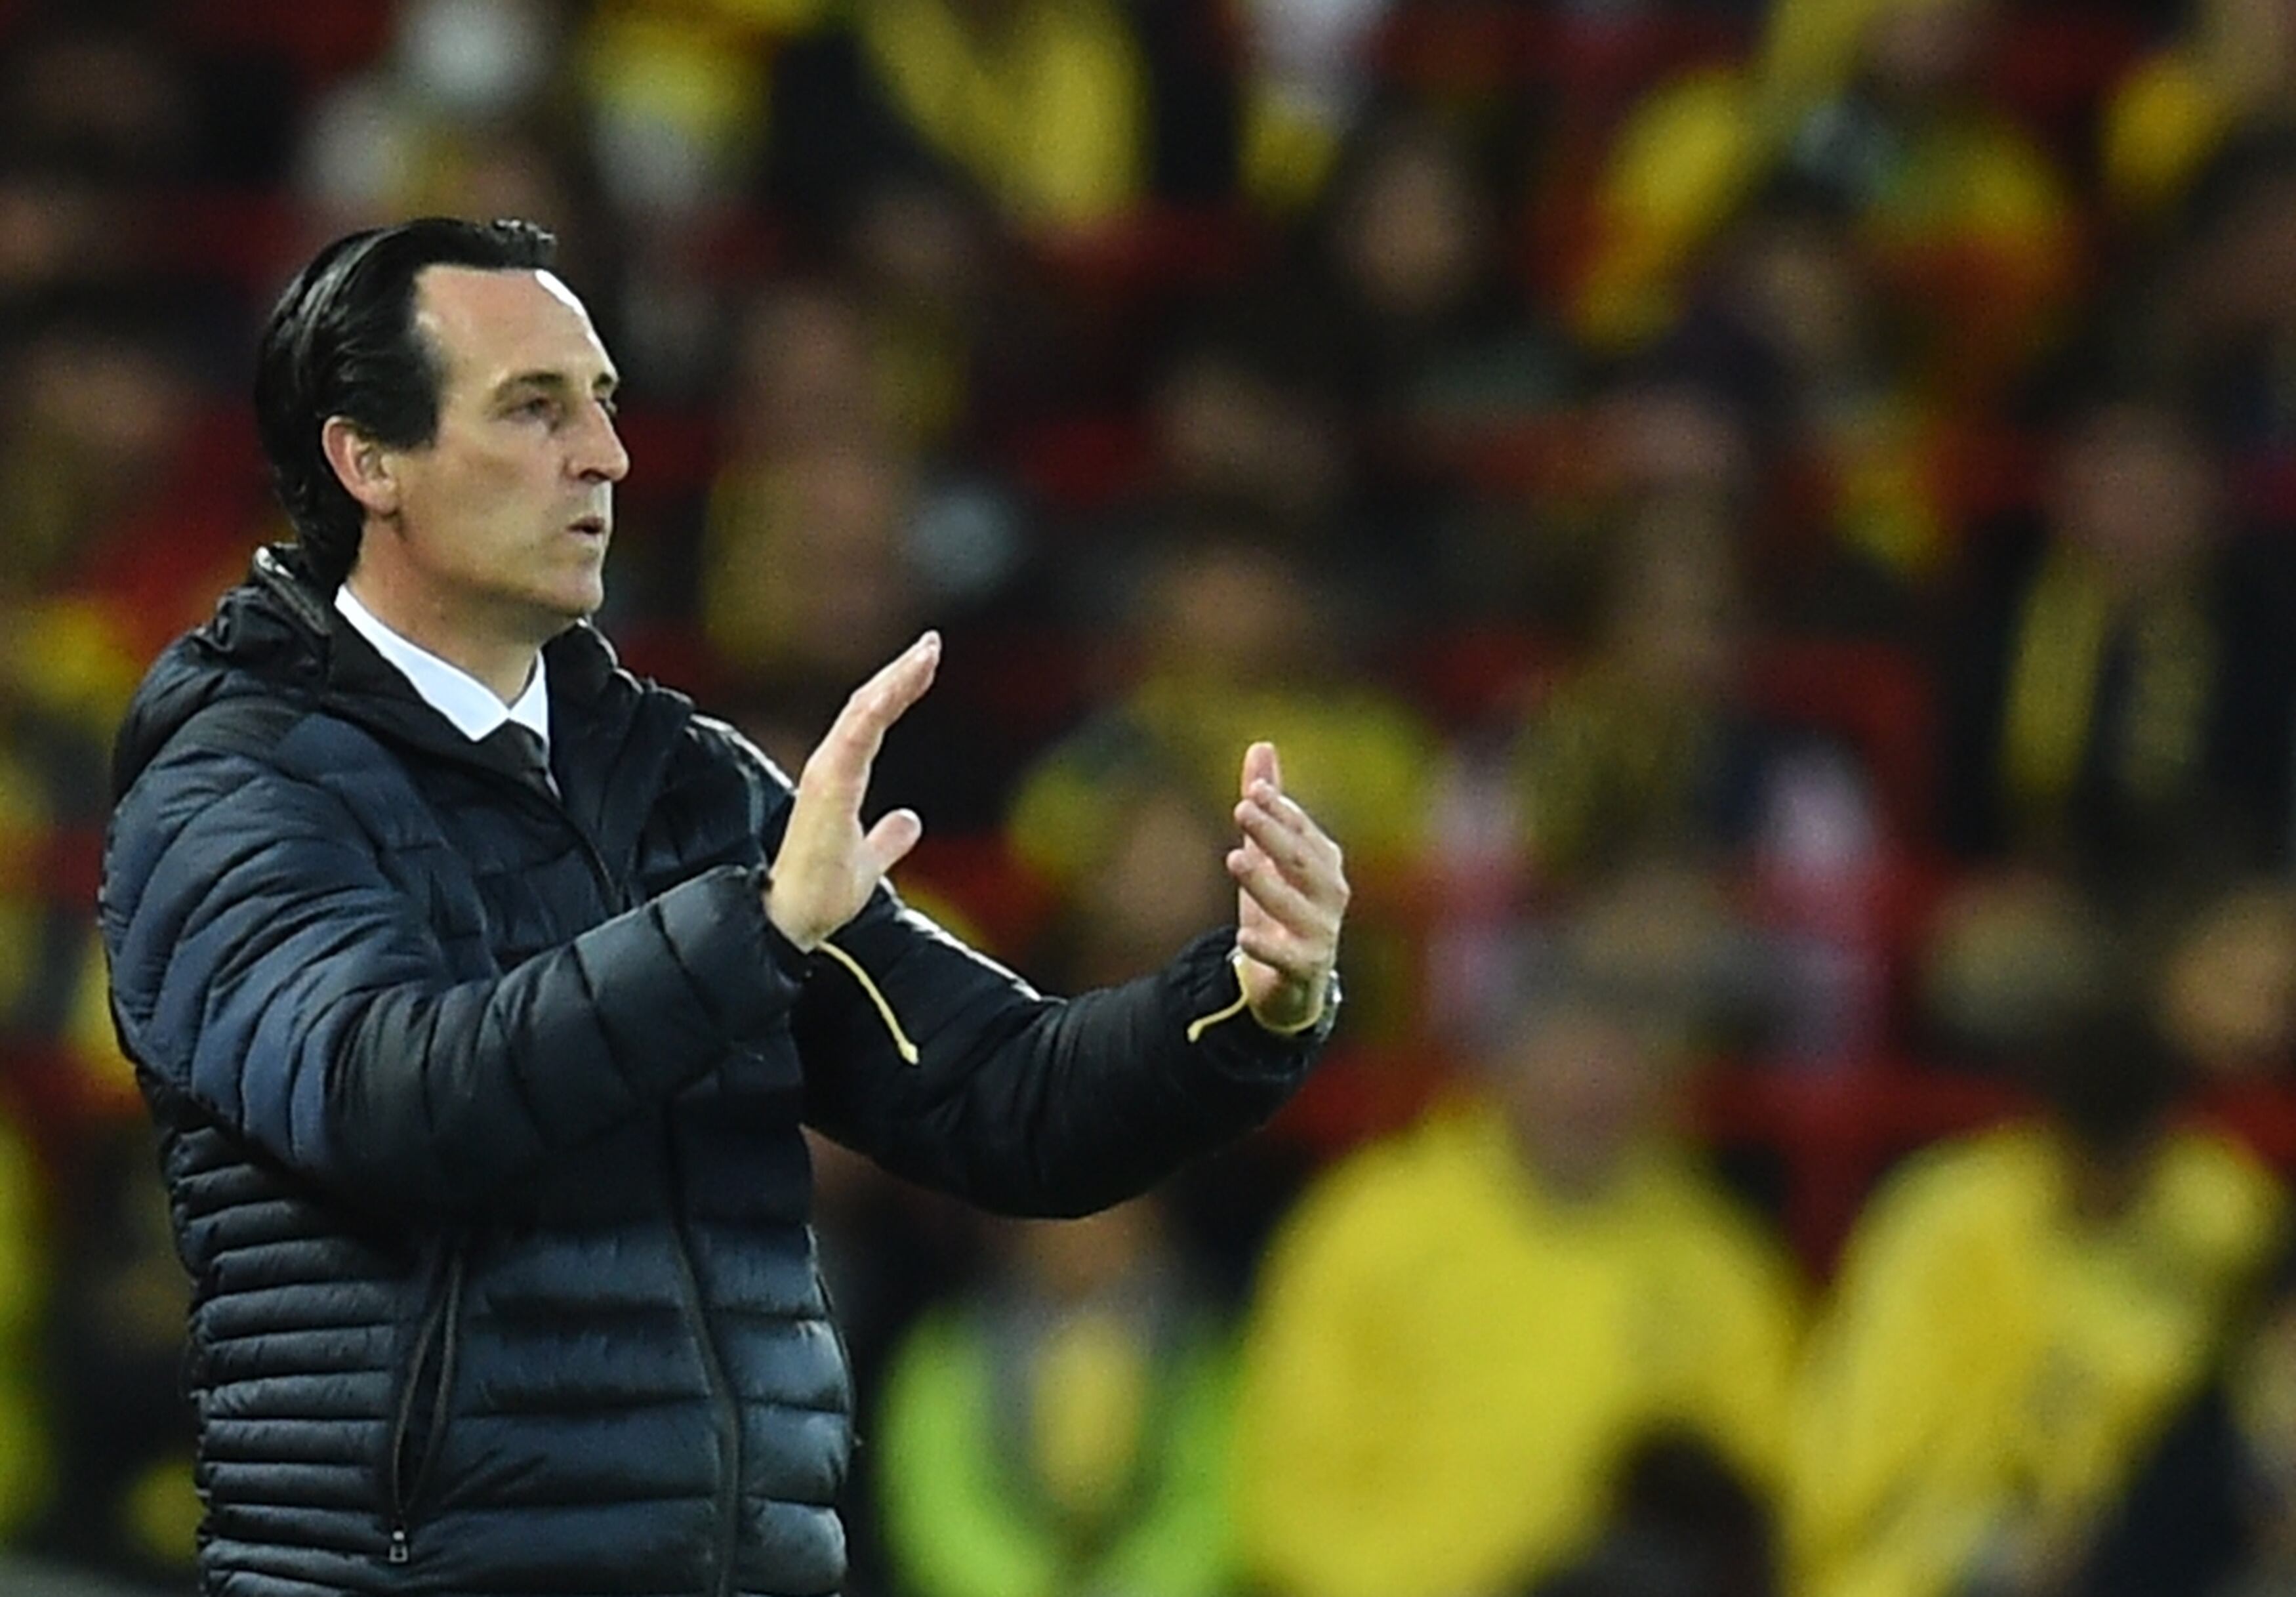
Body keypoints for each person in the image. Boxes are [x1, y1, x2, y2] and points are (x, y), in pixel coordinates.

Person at [94, 216, 1347, 1596]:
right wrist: (745, 931)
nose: (608, 457)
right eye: (535, 407)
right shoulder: (231, 784)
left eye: (607, 404)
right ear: (367, 459)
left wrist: (1242, 999)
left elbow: (1005, 1098)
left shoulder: (685, 784)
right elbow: (389, 1099)